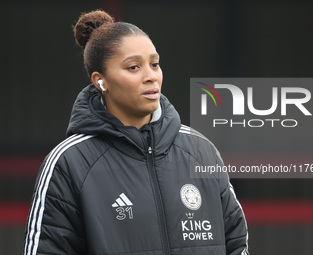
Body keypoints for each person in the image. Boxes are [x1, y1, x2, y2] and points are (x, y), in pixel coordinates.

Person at [23, 9, 249, 255]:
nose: (151, 76)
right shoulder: (69, 163)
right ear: (101, 81)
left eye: (154, 64)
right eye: (133, 67)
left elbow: (237, 244)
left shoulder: (201, 151)